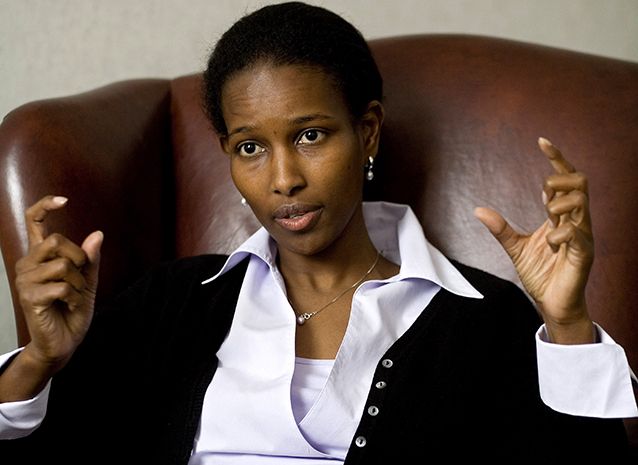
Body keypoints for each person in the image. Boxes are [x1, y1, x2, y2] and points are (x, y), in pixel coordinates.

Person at [0, 2, 636, 464]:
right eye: (250, 147)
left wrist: (567, 324)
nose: (284, 180)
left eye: (310, 135)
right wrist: (40, 361)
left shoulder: (483, 321)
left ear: (368, 132)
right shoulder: (170, 303)